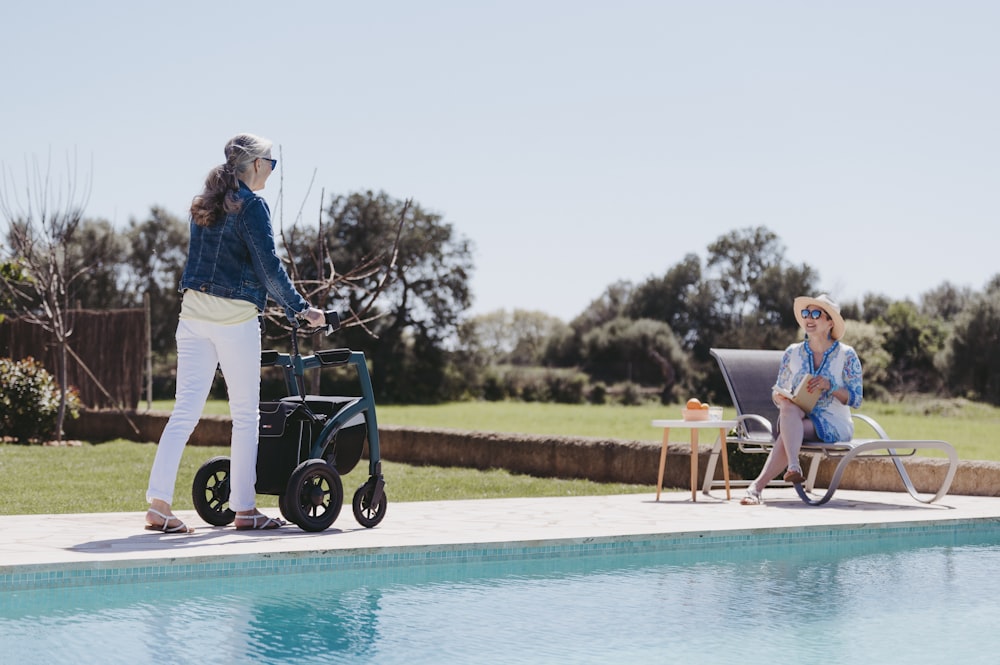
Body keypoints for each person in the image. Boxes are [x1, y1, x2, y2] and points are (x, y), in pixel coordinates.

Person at [145, 133, 326, 533]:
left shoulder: (204, 202)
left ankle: (158, 505)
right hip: (234, 322)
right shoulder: (252, 206)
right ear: (257, 165)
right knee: (245, 417)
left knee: (184, 413)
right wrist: (302, 309)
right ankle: (244, 509)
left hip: (191, 319)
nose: (272, 172)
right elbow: (268, 267)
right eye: (272, 164)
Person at [740, 294, 863, 505]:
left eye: (816, 313)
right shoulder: (792, 353)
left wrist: (830, 386)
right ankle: (793, 467)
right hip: (796, 416)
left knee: (788, 431)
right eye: (806, 313)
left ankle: (756, 488)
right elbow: (779, 389)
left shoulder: (847, 355)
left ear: (830, 322)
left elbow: (856, 399)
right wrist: (779, 396)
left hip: (834, 422)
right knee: (788, 407)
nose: (809, 318)